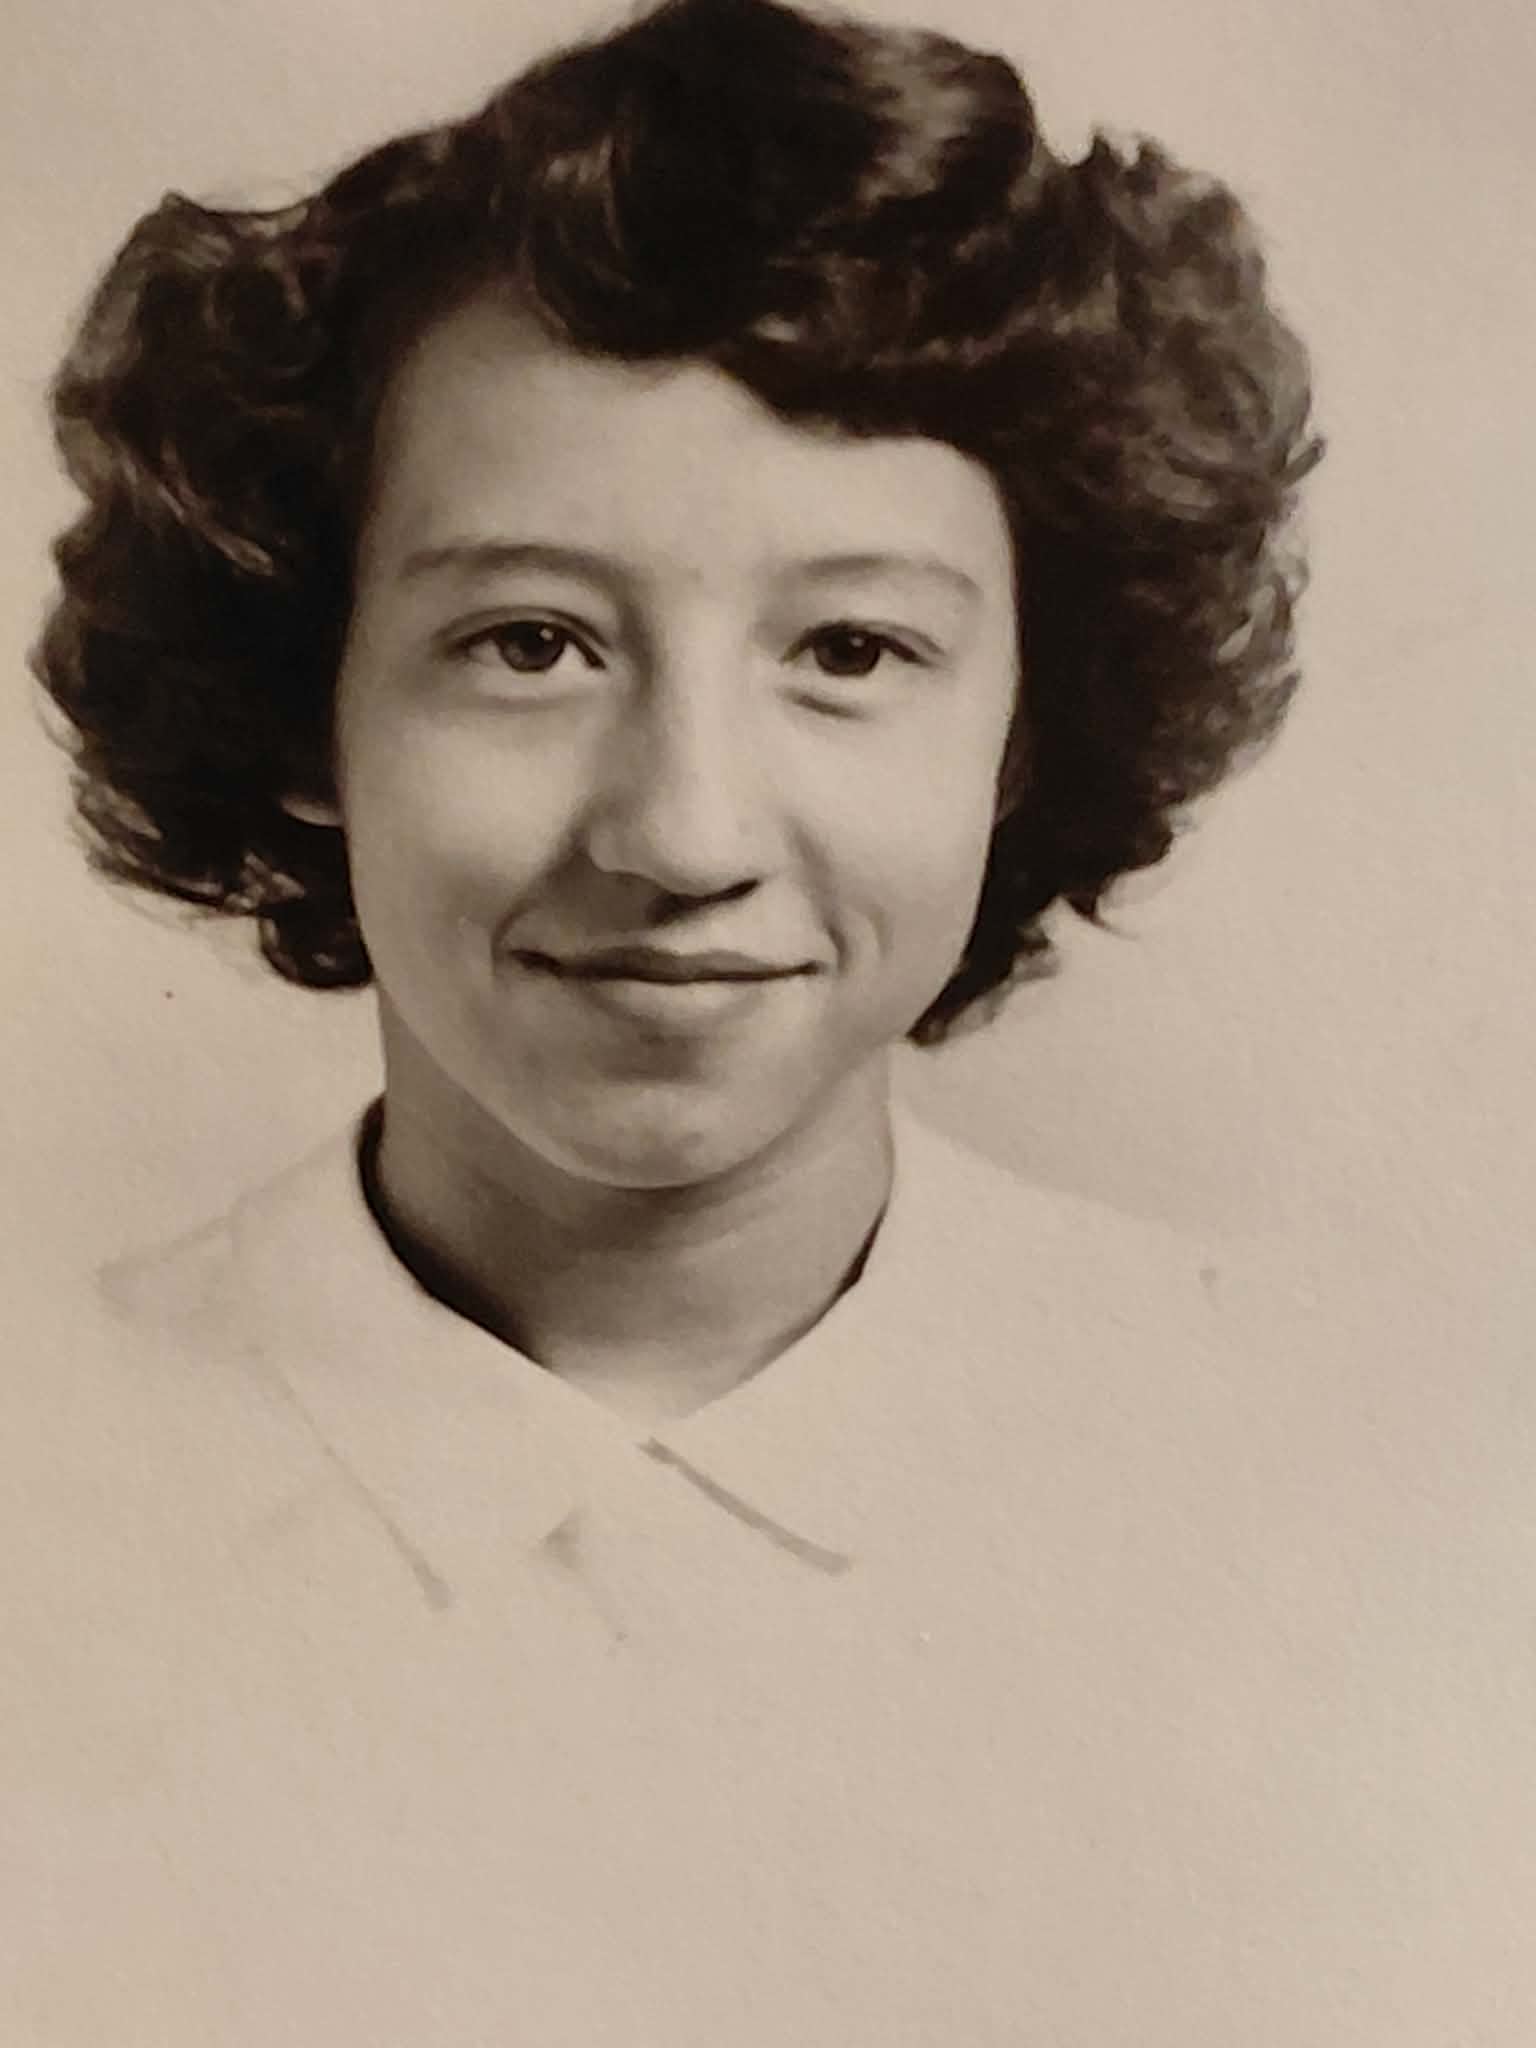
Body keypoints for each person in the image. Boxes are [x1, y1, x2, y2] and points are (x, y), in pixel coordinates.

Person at [14, 1, 1352, 2040]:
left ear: (1022, 731)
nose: (685, 832)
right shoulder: (44, 1468)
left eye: (852, 649)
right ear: (305, 709)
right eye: (529, 642)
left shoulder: (1338, 1492)